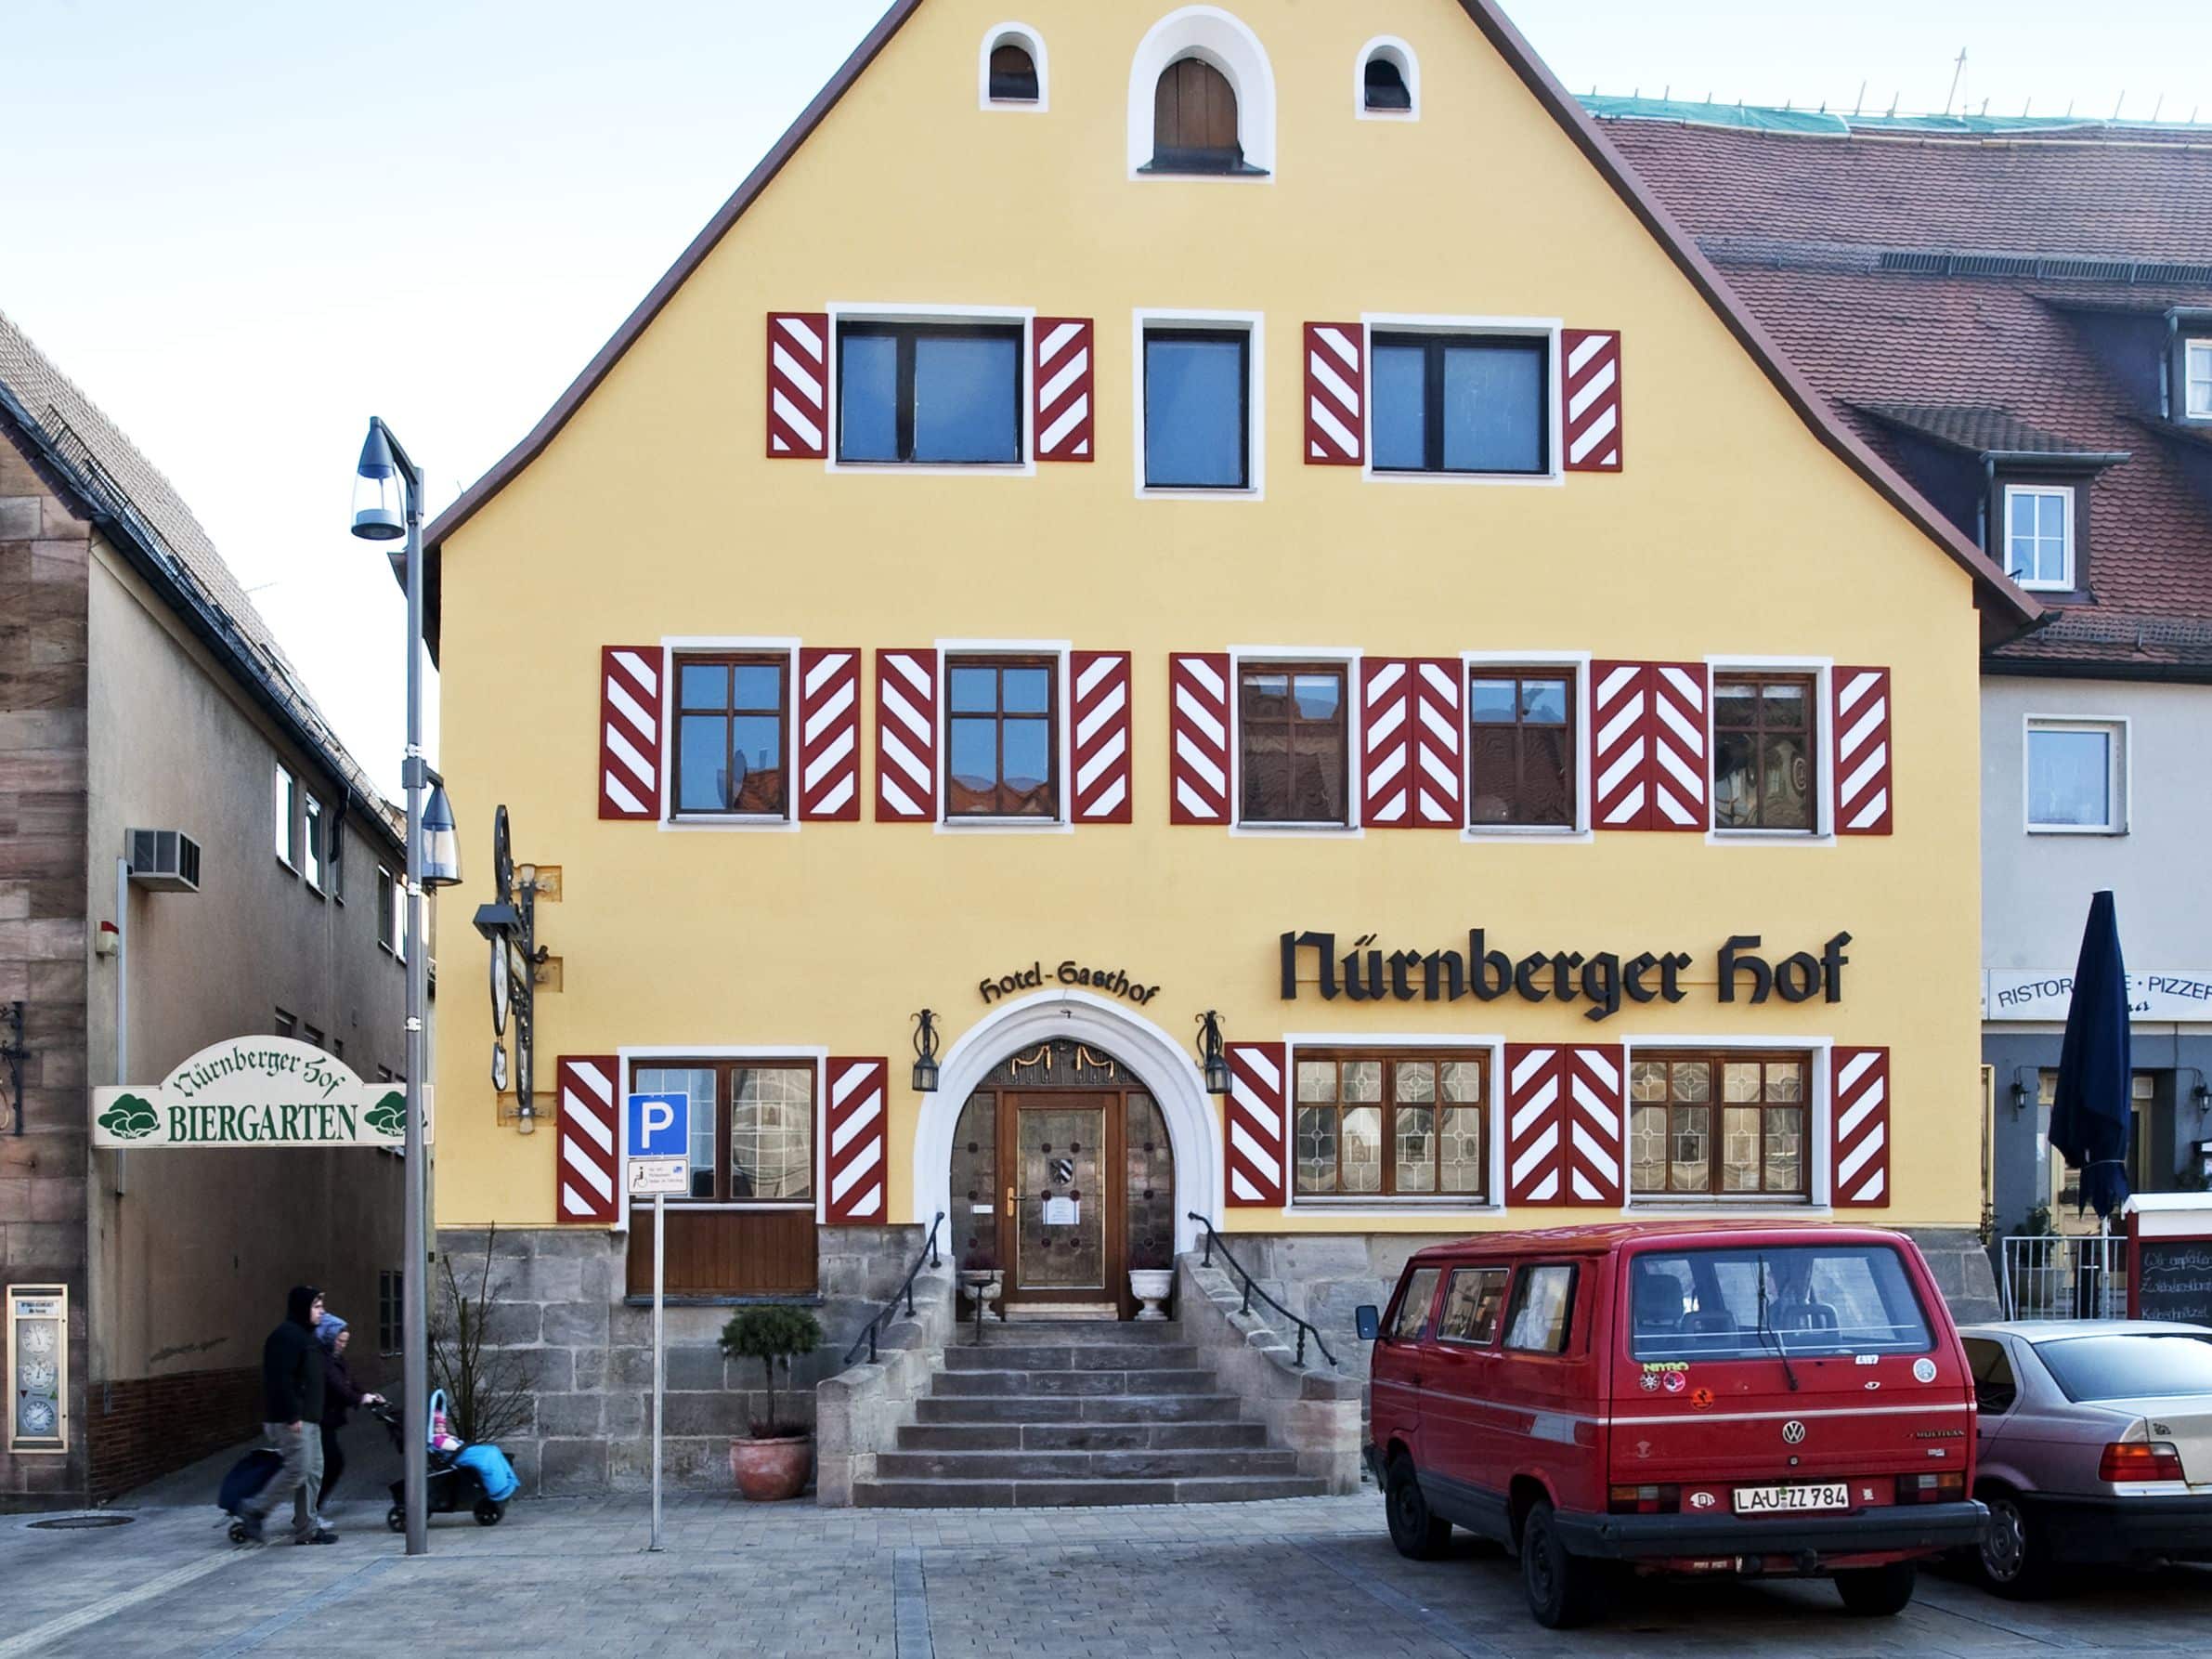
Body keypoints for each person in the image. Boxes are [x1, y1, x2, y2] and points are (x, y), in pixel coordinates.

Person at [239, 1285, 335, 1545]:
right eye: (316, 1306)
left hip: (310, 1419)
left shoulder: (308, 1337)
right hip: (291, 1420)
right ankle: (255, 1510)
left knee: (312, 1473)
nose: (322, 1311)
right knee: (298, 1470)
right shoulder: (285, 1336)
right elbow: (280, 1379)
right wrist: (292, 1415)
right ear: (302, 1308)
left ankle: (307, 1530)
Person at [315, 1313, 382, 1512]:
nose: (343, 1345)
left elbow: (349, 1382)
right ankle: (311, 1509)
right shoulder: (323, 1360)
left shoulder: (336, 1359)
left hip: (327, 1419)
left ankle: (312, 1508)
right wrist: (360, 1399)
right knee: (331, 1463)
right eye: (340, 1341)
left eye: (345, 1342)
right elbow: (338, 1387)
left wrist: (369, 1395)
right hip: (319, 1419)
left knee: (330, 1463)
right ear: (330, 1338)